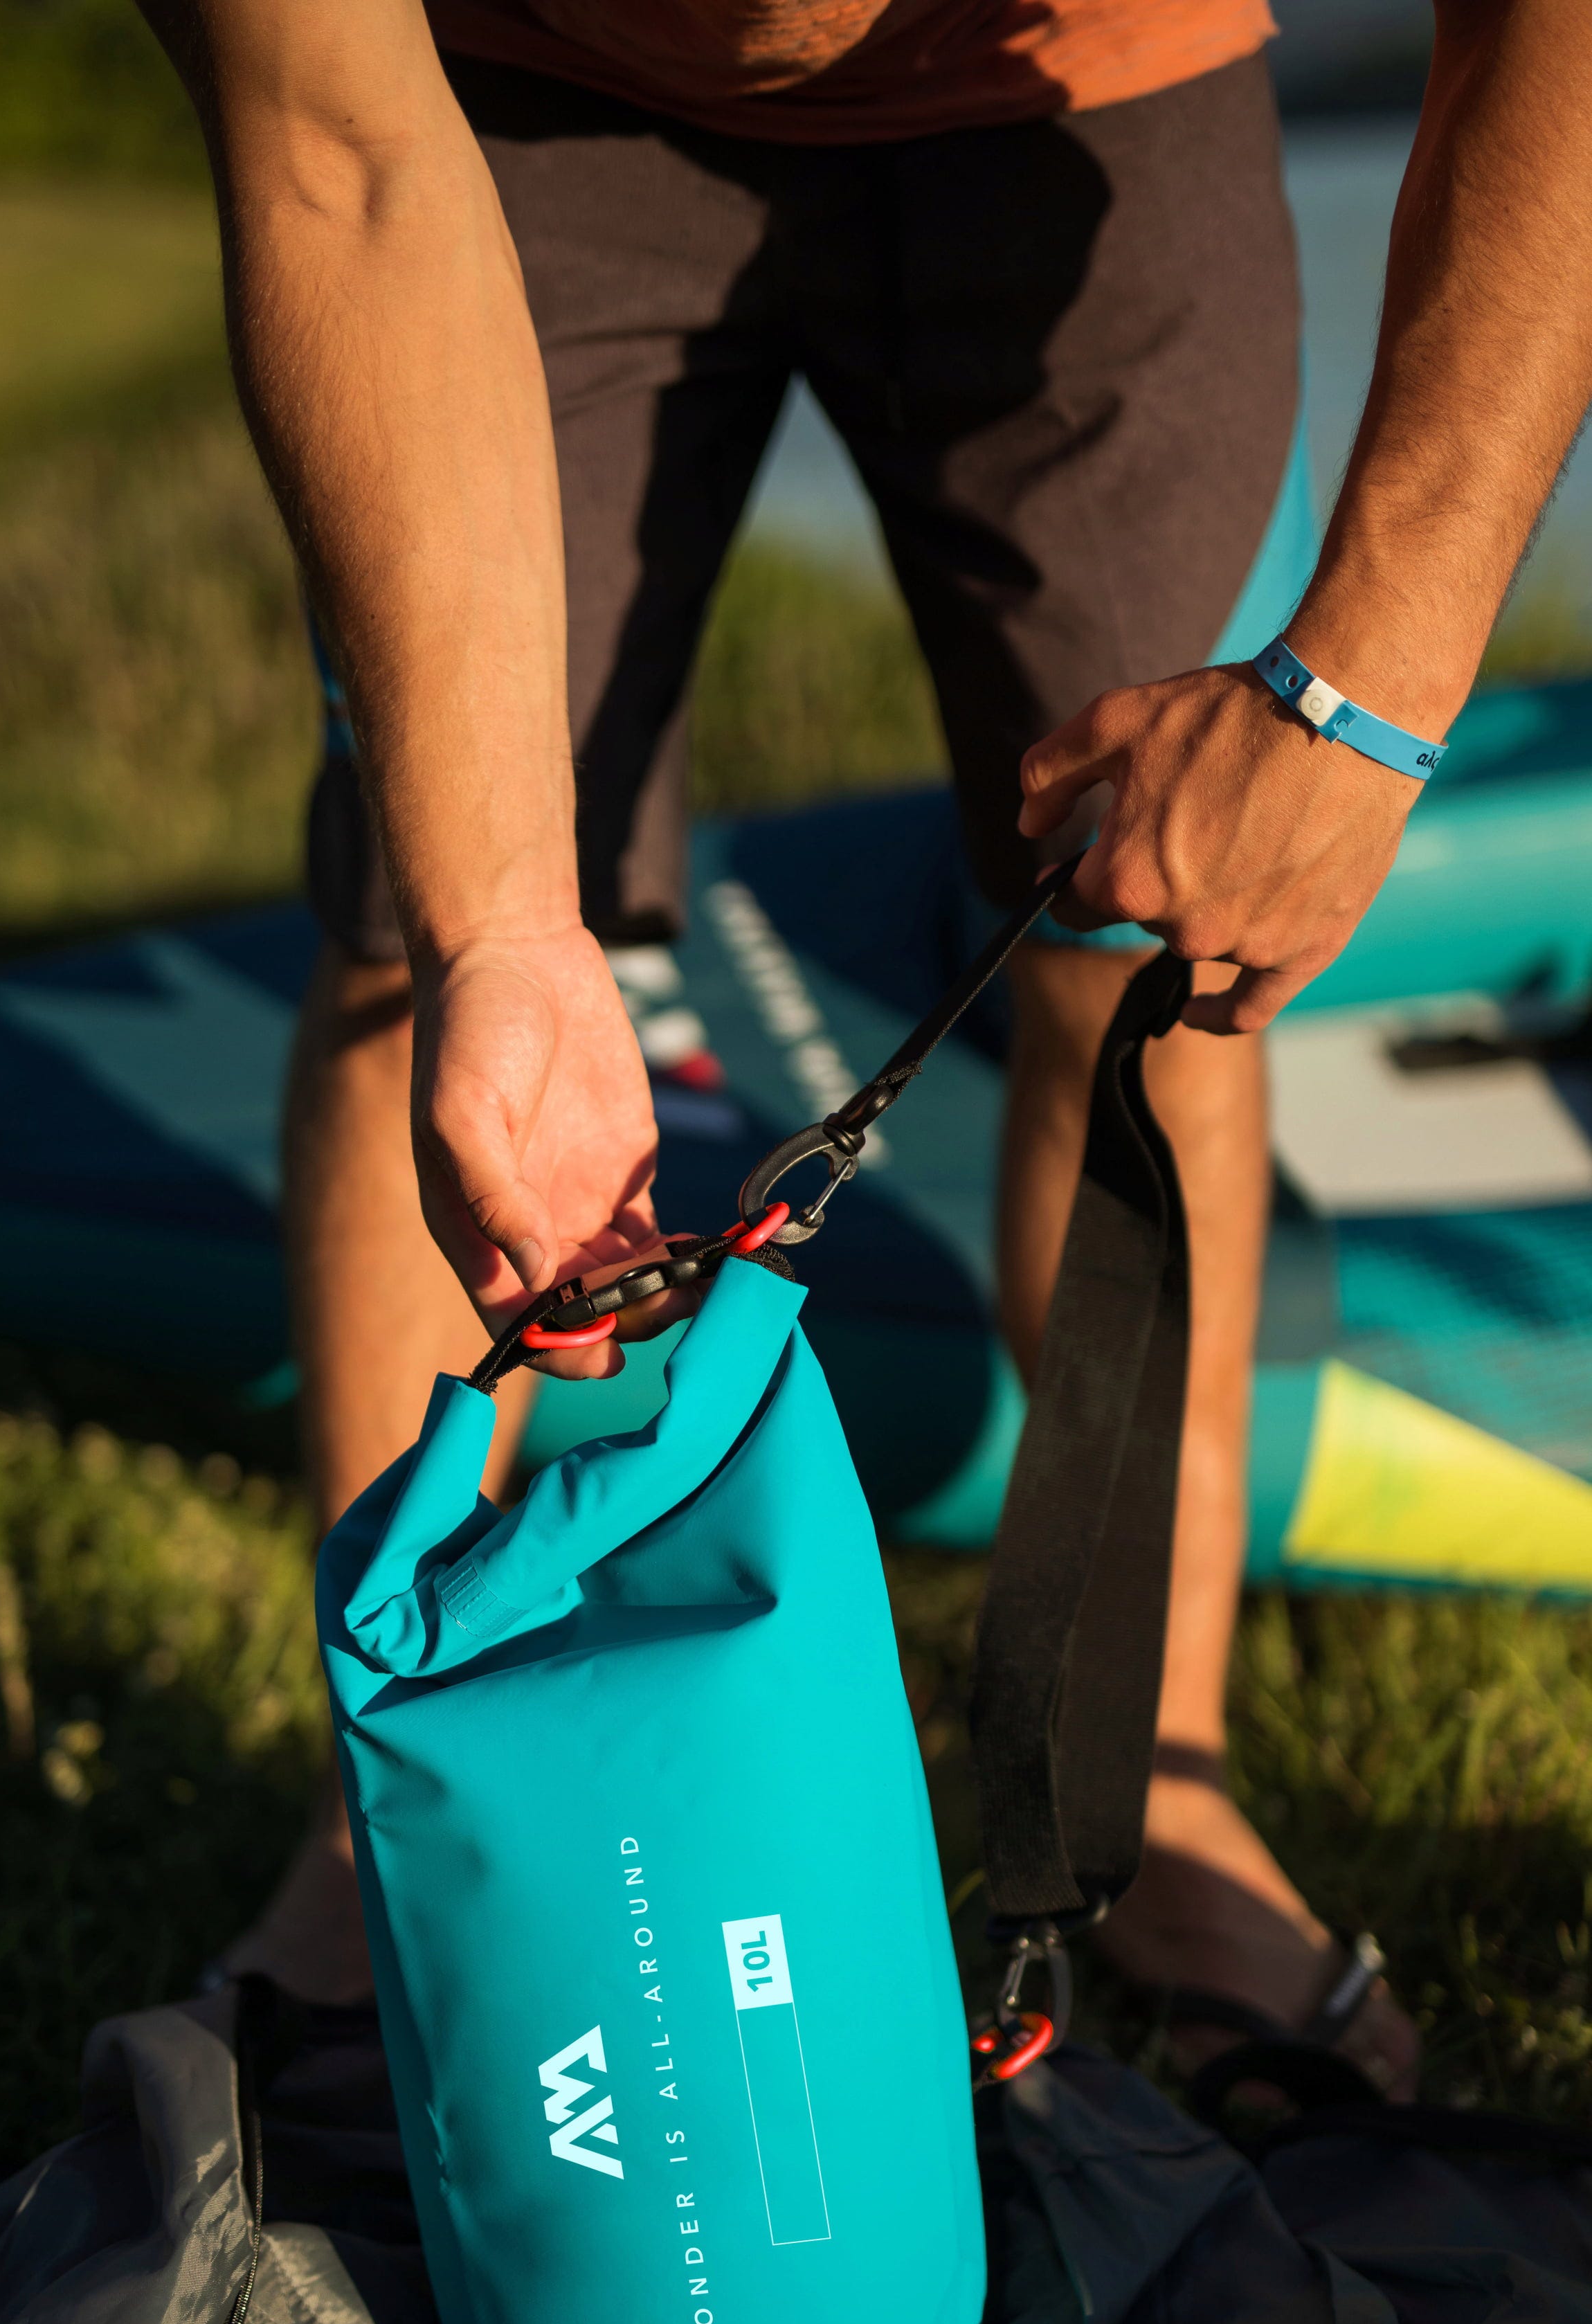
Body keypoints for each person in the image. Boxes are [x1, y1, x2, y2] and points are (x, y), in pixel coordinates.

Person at [141, 0, 1592, 2091]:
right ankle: (392, 1814)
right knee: (407, 942)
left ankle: (1153, 1785)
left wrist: (1365, 691)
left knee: (1144, 947)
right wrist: (498, 932)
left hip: (1100, 89)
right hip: (518, 102)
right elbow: (334, 154)